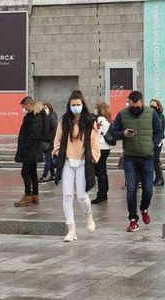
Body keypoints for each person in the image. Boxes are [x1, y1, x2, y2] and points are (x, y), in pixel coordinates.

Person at [106, 91, 163, 232]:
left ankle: (144, 208)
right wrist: (123, 134)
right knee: (131, 190)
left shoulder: (151, 114)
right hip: (130, 158)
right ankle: (133, 219)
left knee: (148, 190)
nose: (135, 109)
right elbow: (113, 132)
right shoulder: (122, 114)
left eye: (137, 106)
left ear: (142, 102)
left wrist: (154, 144)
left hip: (147, 157)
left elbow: (159, 131)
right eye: (132, 106)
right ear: (129, 102)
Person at [52, 94, 100, 242]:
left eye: (78, 104)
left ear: (83, 104)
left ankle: (88, 214)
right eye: (72, 104)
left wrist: (94, 156)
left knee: (81, 196)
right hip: (67, 162)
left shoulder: (89, 121)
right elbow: (58, 140)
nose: (75, 107)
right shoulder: (64, 121)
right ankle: (71, 229)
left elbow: (94, 142)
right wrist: (58, 151)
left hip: (83, 162)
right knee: (67, 195)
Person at [14, 97, 51, 207]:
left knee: (25, 172)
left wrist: (26, 146)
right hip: (33, 150)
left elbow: (35, 134)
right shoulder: (35, 115)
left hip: (31, 150)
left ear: (28, 104)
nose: (24, 108)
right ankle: (35, 196)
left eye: (24, 106)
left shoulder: (35, 116)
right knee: (32, 172)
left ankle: (28, 196)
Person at [92, 102, 112, 204]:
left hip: (99, 147)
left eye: (96, 108)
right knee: (102, 171)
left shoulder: (99, 120)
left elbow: (96, 132)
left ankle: (101, 194)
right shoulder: (107, 120)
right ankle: (104, 193)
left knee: (100, 172)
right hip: (106, 147)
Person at [40, 103, 60, 184]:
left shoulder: (52, 117)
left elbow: (54, 130)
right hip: (45, 142)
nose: (44, 109)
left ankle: (44, 177)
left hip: (50, 142)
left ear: (49, 108)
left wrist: (47, 138)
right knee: (50, 160)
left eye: (46, 108)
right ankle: (53, 175)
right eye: (43, 108)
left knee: (47, 160)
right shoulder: (45, 117)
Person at [150, 98, 165, 187]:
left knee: (155, 159)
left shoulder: (160, 116)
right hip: (151, 139)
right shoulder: (151, 115)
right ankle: (158, 178)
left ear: (158, 106)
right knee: (154, 159)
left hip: (157, 140)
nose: (152, 107)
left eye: (153, 106)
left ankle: (160, 178)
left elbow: (159, 129)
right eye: (150, 106)